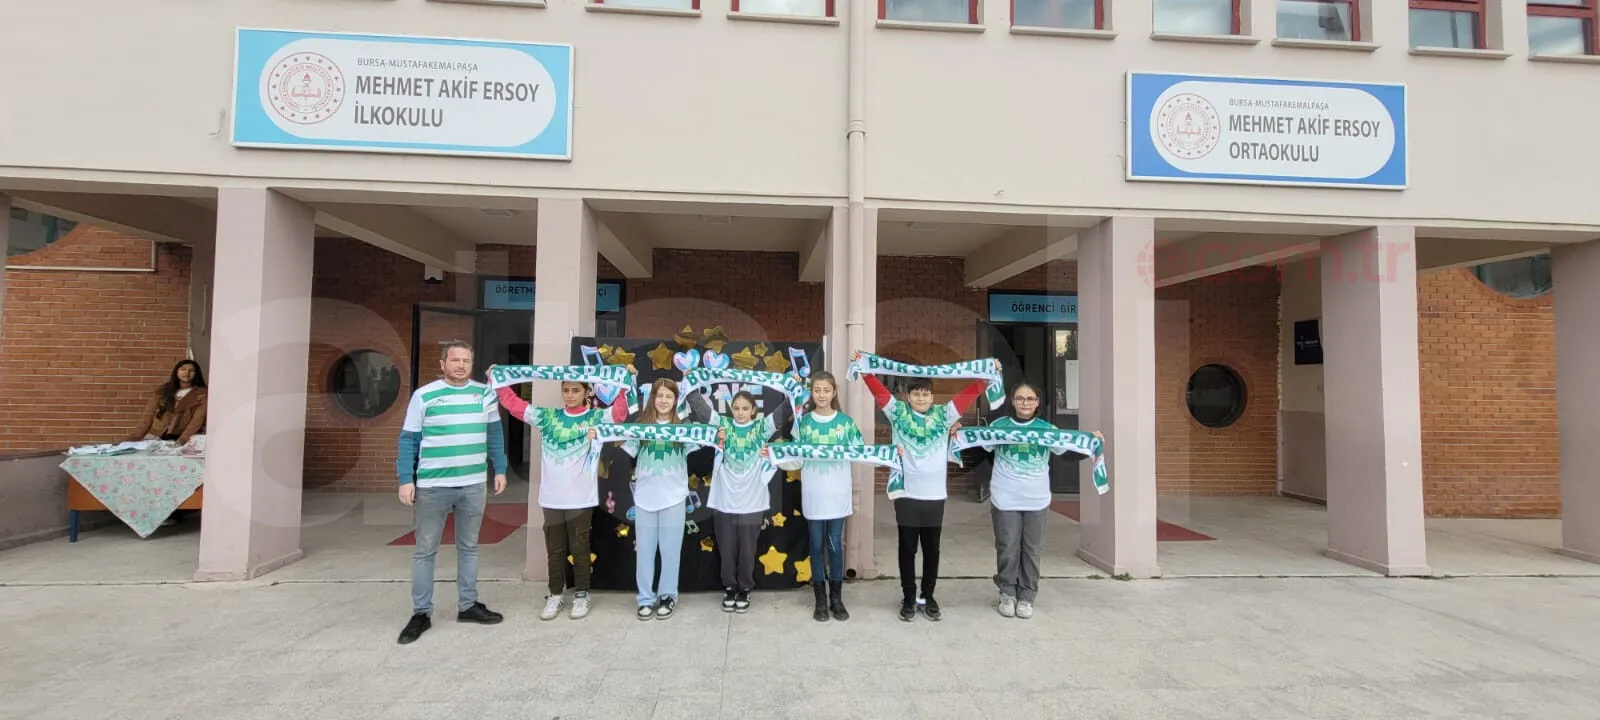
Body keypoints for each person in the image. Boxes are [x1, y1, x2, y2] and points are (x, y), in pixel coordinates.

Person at [854, 352, 993, 622]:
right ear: (907, 396)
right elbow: (878, 392)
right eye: (916, 394)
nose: (921, 398)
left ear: (932, 397)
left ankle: (927, 597)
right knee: (907, 548)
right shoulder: (897, 413)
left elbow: (968, 395)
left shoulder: (944, 415)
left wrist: (986, 376)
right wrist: (865, 370)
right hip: (906, 493)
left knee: (932, 549)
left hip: (934, 496)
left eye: (925, 394)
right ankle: (908, 597)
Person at [395, 342, 509, 645]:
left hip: (473, 484)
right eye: (455, 360)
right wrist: (406, 479)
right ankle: (421, 613)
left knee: (469, 547)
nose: (460, 365)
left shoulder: (485, 394)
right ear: (443, 363)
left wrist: (500, 468)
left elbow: (495, 434)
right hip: (433, 486)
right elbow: (408, 440)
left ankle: (468, 605)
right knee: (425, 550)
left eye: (466, 361)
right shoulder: (424, 395)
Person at [495, 368, 630, 622]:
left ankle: (582, 594)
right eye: (566, 390)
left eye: (576, 390)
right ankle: (555, 594)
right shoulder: (548, 417)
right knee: (555, 549)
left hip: (581, 498)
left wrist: (626, 383)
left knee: (580, 547)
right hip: (551, 498)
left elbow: (620, 413)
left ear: (586, 393)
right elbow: (514, 406)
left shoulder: (595, 417)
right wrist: (498, 381)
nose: (570, 395)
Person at [985, 382, 1097, 620]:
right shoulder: (999, 426)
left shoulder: (1047, 430)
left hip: (1036, 500)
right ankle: (1007, 593)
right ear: (1012, 401)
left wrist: (1091, 444)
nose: (1025, 403)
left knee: (1032, 550)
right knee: (1007, 548)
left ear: (1037, 403)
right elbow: (977, 449)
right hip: (1005, 498)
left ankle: (1027, 595)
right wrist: (957, 435)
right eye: (1020, 398)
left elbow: (1067, 453)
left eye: (1030, 399)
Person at [614, 378, 712, 621]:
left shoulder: (683, 428)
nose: (664, 400)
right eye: (660, 395)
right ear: (653, 398)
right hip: (645, 498)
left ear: (676, 400)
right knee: (645, 552)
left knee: (670, 552)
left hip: (674, 498)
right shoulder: (641, 426)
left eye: (669, 396)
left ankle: (668, 596)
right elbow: (626, 453)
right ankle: (645, 598)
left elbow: (698, 455)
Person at [774, 371, 861, 623]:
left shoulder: (846, 423)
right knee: (815, 545)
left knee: (834, 545)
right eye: (817, 390)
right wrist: (773, 457)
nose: (822, 395)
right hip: (814, 495)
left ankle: (837, 598)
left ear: (834, 393)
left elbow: (862, 452)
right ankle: (820, 600)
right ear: (811, 393)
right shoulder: (804, 423)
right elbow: (796, 459)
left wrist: (892, 454)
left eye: (826, 390)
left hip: (838, 495)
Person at [709, 389, 793, 614]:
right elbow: (700, 409)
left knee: (747, 549)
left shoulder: (762, 428)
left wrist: (793, 389)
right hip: (724, 499)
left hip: (752, 501)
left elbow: (783, 411)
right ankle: (729, 587)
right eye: (736, 408)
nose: (740, 413)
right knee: (727, 548)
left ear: (754, 410)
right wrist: (689, 384)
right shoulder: (722, 425)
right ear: (731, 409)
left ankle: (745, 588)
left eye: (745, 408)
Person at [128, 359, 208, 445]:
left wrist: (182, 440)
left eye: (191, 370)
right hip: (155, 435)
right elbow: (147, 416)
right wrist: (132, 439)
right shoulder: (163, 390)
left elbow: (197, 420)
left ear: (196, 373)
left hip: (181, 437)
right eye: (183, 369)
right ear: (176, 371)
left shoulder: (202, 393)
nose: (187, 373)